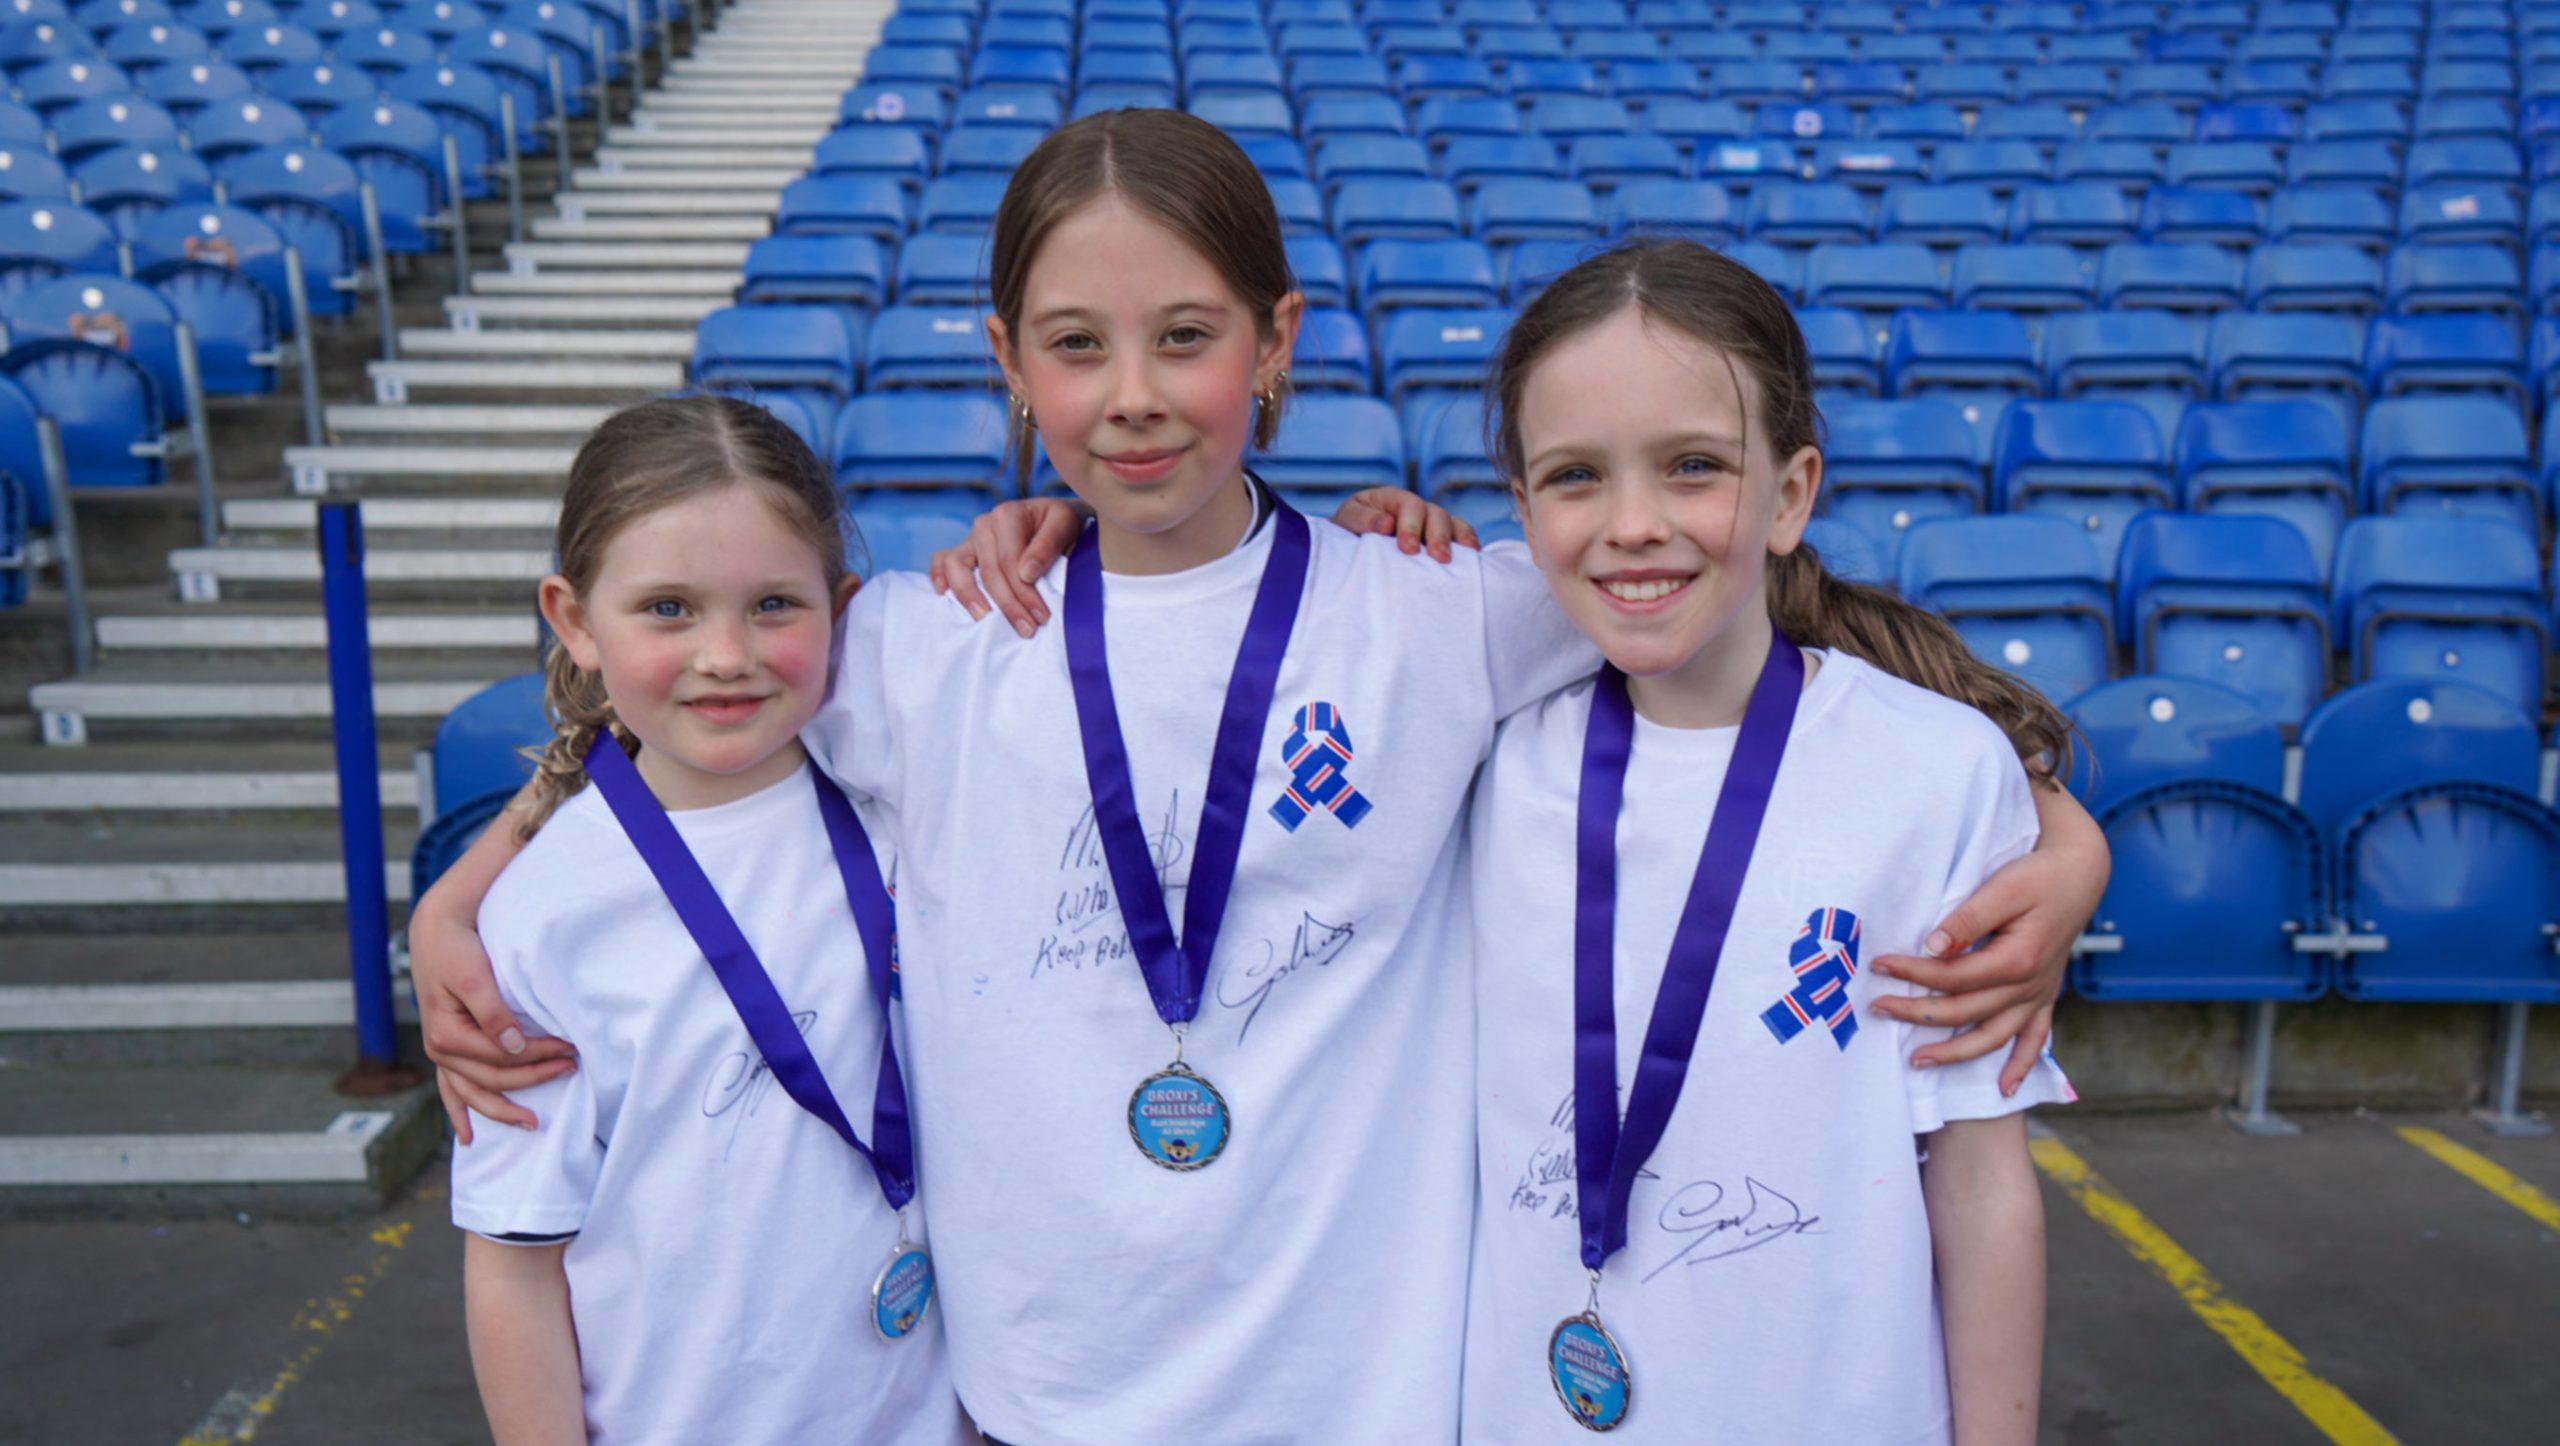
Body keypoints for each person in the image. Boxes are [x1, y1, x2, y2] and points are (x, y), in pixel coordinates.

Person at [414, 111, 2105, 1445]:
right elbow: (680, 722)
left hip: (1360, 1396)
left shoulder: (1433, 616)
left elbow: (1738, 622)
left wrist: (2067, 830)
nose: (1134, 397)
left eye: (1186, 336)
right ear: (1010, 362)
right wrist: (465, 901)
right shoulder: (931, 649)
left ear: (1274, 341)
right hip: (1035, 1390)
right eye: (1077, 346)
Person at [1462, 240, 2070, 1442]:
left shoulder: (1932, 771)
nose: (1633, 524)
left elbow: (1980, 1182)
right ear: (1523, 513)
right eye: (1576, 476)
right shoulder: (1481, 762)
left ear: (1791, 494)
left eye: (1694, 467)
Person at [447, 396, 971, 1446]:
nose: (726, 654)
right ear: (574, 621)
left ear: (843, 610)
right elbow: (513, 1259)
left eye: (775, 604)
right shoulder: (541, 915)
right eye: (668, 609)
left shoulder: (912, 812)